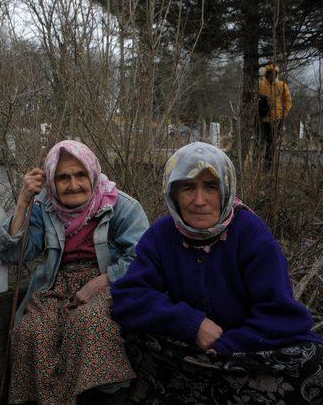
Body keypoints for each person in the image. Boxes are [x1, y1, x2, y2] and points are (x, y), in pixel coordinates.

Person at [111, 142, 323, 403]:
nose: (199, 201)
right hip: (186, 348)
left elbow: (282, 315)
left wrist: (229, 343)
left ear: (226, 190)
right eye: (187, 187)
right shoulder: (162, 234)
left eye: (211, 187)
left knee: (312, 361)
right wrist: (191, 323)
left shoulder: (250, 233)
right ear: (172, 193)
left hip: (245, 350)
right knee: (130, 337)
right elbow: (128, 296)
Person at [0, 140, 149, 404]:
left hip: (108, 282)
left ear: (91, 173)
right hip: (56, 284)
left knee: (88, 324)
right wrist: (23, 202)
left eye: (80, 175)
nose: (73, 184)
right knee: (32, 330)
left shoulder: (121, 205)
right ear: (52, 182)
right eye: (63, 177)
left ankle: (105, 398)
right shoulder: (44, 206)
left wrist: (103, 281)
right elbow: (15, 254)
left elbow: (143, 257)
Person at [257, 62, 292, 168]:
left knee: (271, 144)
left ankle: (267, 167)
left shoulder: (282, 85)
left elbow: (288, 101)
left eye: (274, 73)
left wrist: (283, 114)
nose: (271, 75)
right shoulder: (260, 85)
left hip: (276, 119)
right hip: (263, 119)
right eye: (269, 73)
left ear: (276, 74)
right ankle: (255, 165)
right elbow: (254, 100)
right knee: (259, 142)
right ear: (266, 74)